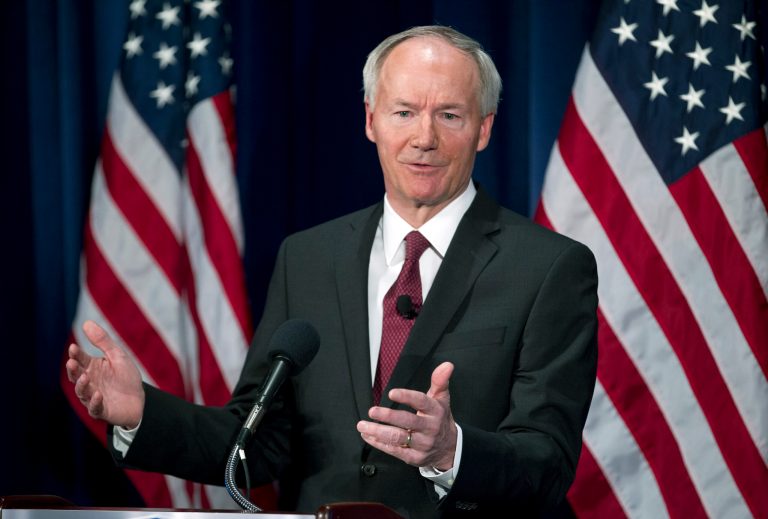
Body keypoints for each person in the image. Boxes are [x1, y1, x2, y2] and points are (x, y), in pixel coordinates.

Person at [67, 25, 598, 518]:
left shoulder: (549, 268)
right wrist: (142, 412)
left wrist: (451, 451)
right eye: (404, 112)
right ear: (370, 120)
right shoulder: (307, 259)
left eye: (450, 116)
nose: (424, 137)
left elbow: (547, 461)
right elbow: (259, 441)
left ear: (483, 129)